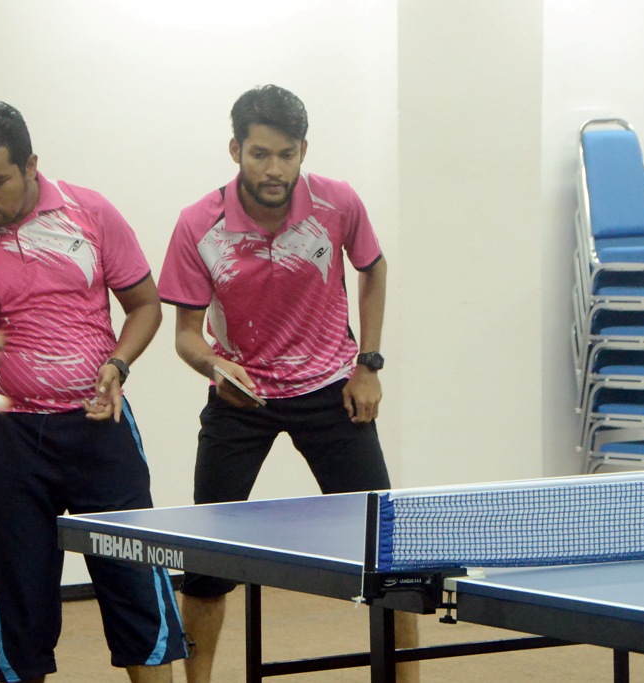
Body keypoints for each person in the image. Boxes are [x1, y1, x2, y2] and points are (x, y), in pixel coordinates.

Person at [157, 85, 419, 682]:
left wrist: (368, 364)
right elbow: (187, 336)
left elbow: (373, 268)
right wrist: (214, 367)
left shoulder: (337, 202)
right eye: (259, 154)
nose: (273, 169)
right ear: (235, 150)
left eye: (286, 154)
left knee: (390, 559)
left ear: (303, 150)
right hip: (240, 398)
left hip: (331, 390)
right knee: (205, 565)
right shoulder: (199, 224)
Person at [0, 101, 187, 683]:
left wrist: (118, 363)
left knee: (136, 587)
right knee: (16, 603)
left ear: (30, 165)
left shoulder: (90, 214)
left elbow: (145, 306)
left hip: (98, 423)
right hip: (3, 431)